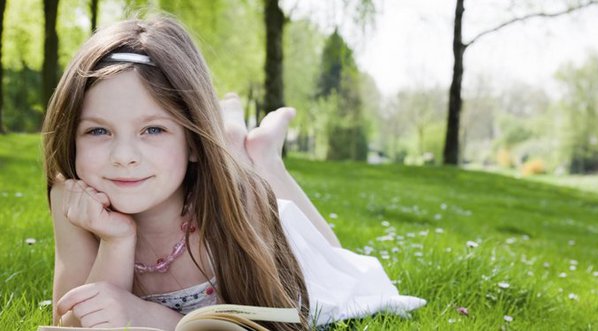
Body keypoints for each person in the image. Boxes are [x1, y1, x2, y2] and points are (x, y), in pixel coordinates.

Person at [42, 16, 425, 331]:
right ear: (71, 135)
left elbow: (279, 321)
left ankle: (264, 158)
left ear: (193, 141)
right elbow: (72, 321)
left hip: (276, 232)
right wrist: (116, 240)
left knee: (340, 266)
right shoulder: (74, 200)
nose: (123, 156)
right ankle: (239, 142)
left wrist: (149, 316)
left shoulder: (234, 206)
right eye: (98, 131)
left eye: (153, 130)